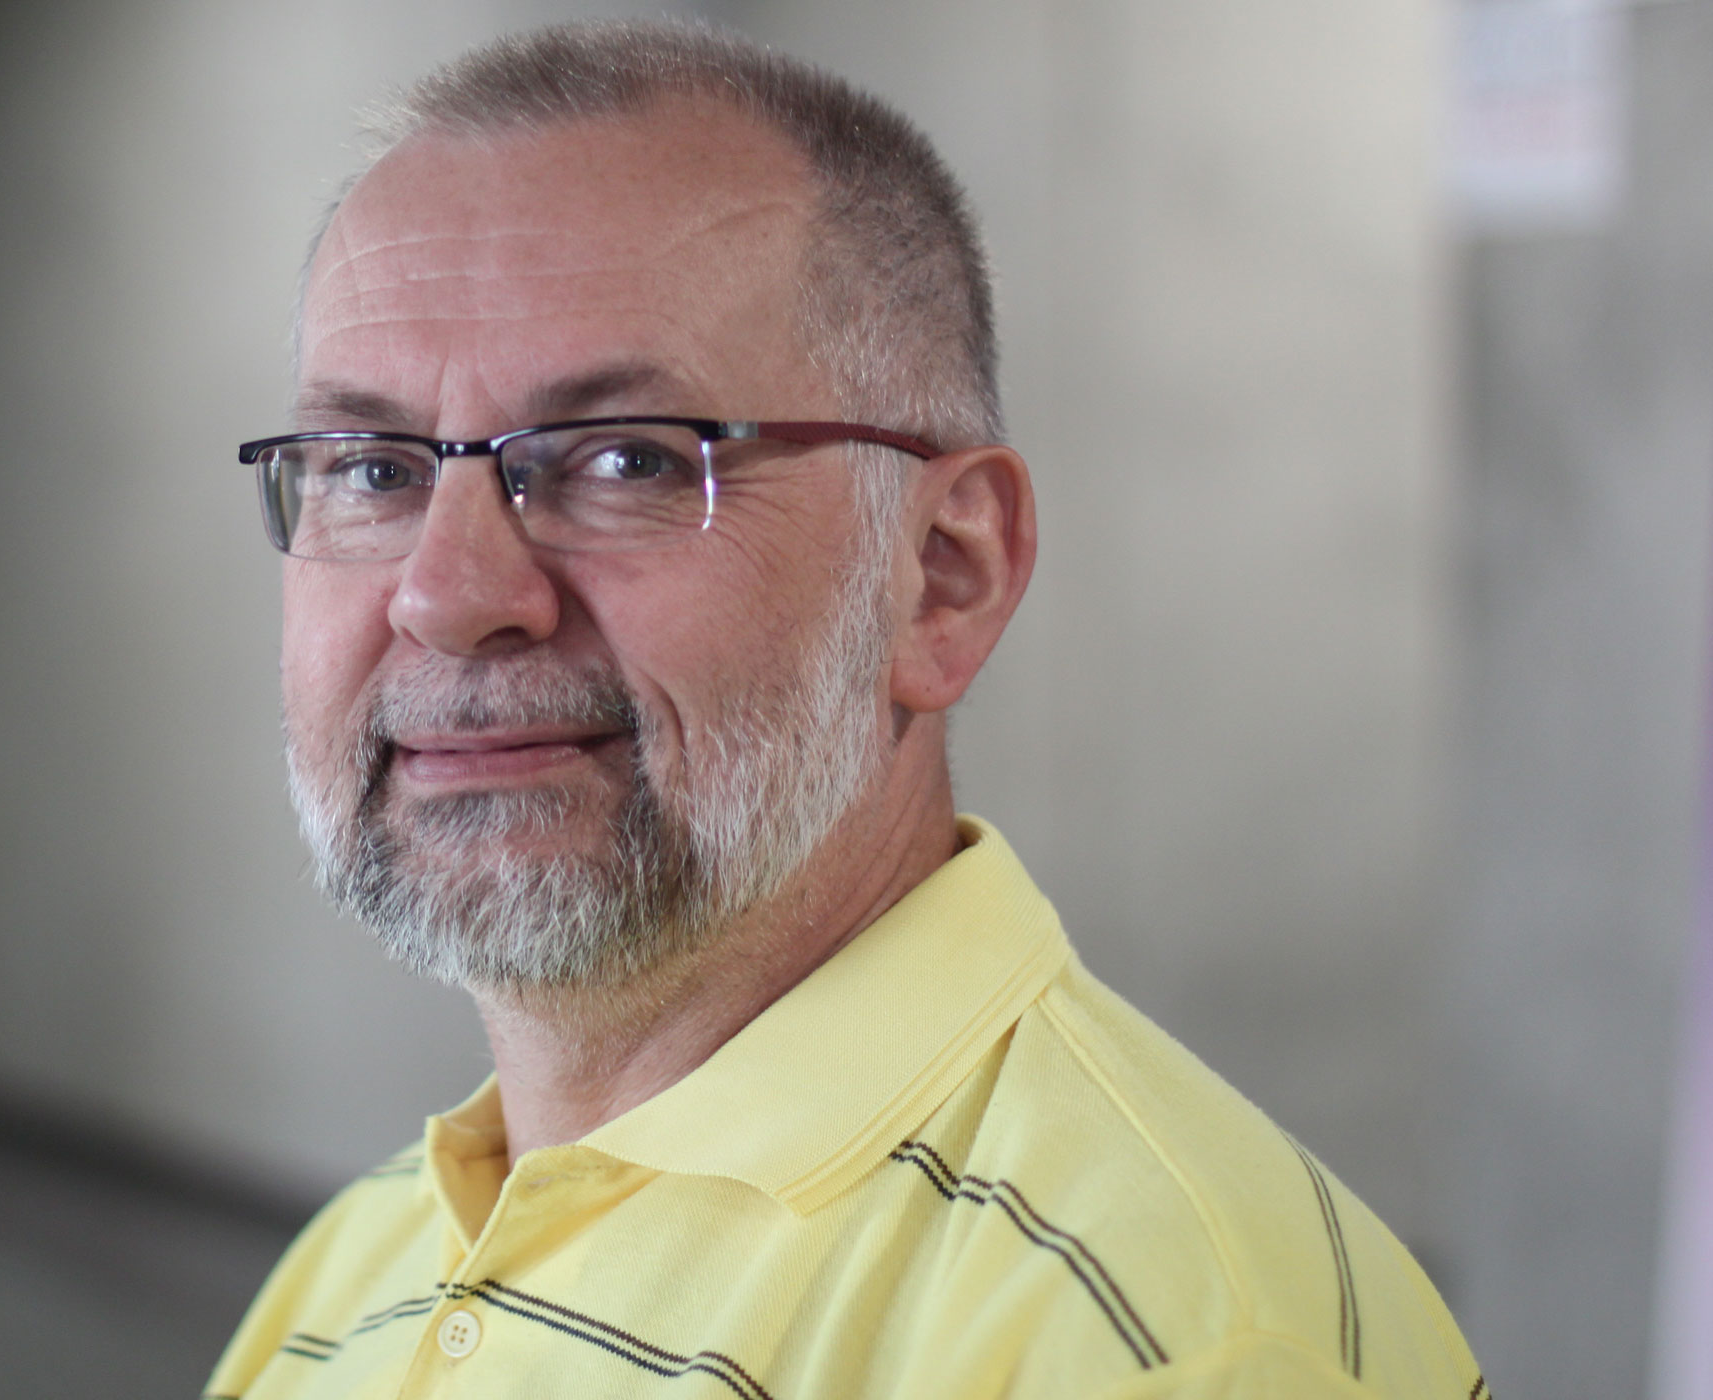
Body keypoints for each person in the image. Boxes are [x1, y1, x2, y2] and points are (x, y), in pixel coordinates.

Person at [209, 20, 1484, 1400]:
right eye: (373, 471)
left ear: (943, 577)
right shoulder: (355, 1272)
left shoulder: (1171, 1347)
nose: (450, 595)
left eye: (627, 460)